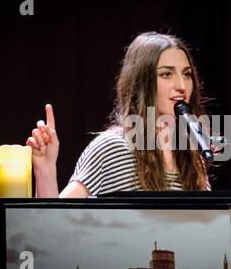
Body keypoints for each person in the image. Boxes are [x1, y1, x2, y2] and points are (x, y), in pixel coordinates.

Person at [26, 32, 211, 198]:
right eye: (166, 74)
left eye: (187, 74)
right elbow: (54, 221)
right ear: (142, 82)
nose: (182, 85)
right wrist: (45, 169)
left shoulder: (192, 157)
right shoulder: (113, 147)